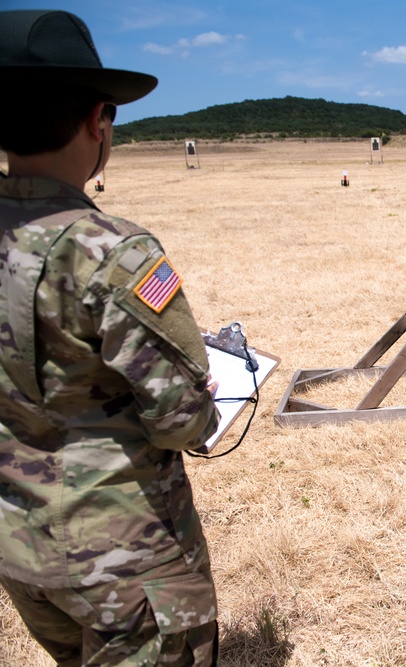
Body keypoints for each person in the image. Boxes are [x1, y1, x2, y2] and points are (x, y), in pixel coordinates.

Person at [1, 10, 222, 665]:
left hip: (23, 546)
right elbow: (184, 419)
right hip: (126, 565)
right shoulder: (114, 253)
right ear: (99, 121)